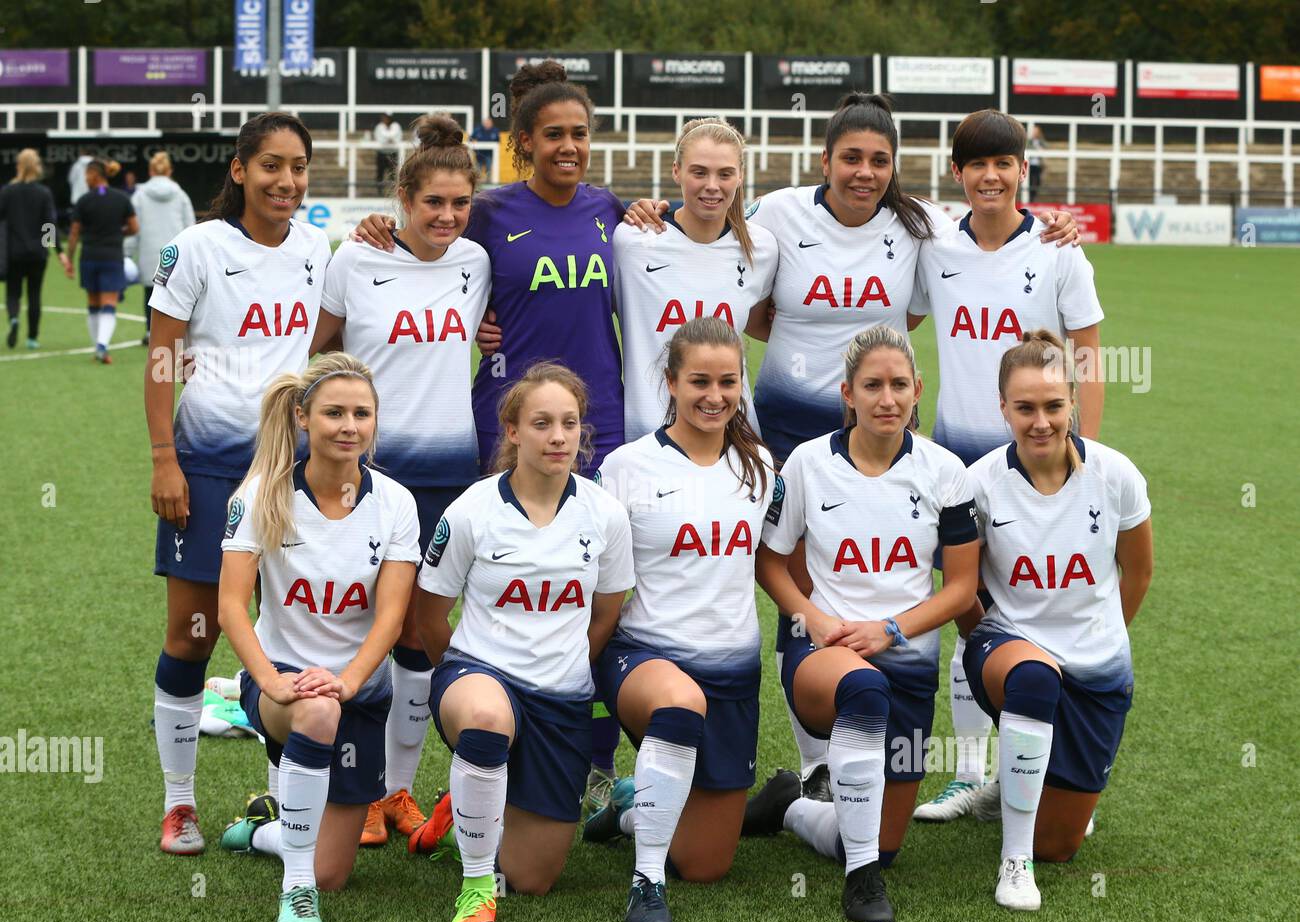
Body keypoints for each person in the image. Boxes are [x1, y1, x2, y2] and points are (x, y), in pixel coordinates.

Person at [718, 94, 1078, 801]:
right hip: (790, 435)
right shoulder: (782, 212)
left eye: (879, 160)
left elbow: (975, 253)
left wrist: (1053, 225)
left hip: (883, 432)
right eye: (850, 157)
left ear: (896, 168)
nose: (864, 171)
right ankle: (818, 762)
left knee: (876, 576)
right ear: (824, 160)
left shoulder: (922, 226)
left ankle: (900, 752)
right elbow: (733, 285)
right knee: (797, 591)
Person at [353, 60, 635, 817]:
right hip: (501, 425)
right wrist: (379, 227)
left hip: (598, 422)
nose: (568, 146)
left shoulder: (615, 209)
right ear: (522, 142)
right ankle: (474, 738)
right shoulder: (485, 212)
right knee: (487, 578)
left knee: (584, 587)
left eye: (579, 133)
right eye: (552, 135)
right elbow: (427, 242)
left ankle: (590, 757)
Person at [746, 325, 979, 922]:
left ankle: (791, 806)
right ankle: (860, 882)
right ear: (847, 393)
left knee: (883, 842)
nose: (886, 399)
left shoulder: (945, 471)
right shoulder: (805, 463)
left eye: (899, 385)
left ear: (917, 389)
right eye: (871, 385)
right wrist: (813, 618)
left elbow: (959, 587)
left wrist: (893, 630)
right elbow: (769, 561)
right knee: (863, 690)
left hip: (906, 661)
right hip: (825, 661)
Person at [145, 111, 332, 856]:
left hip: (291, 465)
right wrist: (165, 456)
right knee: (192, 633)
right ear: (239, 169)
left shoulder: (318, 247)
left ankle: (281, 799)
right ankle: (179, 802)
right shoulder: (194, 248)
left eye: (297, 168)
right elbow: (162, 357)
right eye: (271, 166)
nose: (285, 181)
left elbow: (328, 333)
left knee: (283, 633)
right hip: (209, 462)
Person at [909, 109, 1104, 822]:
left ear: (1025, 169)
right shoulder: (934, 247)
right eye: (976, 164)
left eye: (1005, 163)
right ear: (956, 173)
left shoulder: (1060, 253)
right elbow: (898, 318)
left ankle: (1048, 773)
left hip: (1040, 460)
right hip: (957, 464)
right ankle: (968, 775)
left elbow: (1086, 354)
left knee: (1037, 608)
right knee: (967, 610)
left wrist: (1083, 458)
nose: (991, 176)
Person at [311, 113, 491, 848]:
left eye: (459, 204)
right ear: (402, 201)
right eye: (432, 204)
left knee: (420, 633)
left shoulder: (477, 262)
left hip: (451, 473)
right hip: (369, 476)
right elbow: (319, 356)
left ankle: (396, 791)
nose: (446, 217)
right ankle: (333, 784)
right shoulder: (356, 261)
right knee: (358, 623)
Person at [412, 363, 634, 922]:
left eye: (569, 423)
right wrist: (460, 679)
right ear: (512, 430)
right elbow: (429, 616)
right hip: (480, 675)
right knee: (486, 720)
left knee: (533, 878)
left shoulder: (605, 514)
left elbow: (608, 609)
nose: (558, 436)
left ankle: (463, 807)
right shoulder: (471, 510)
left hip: (561, 697)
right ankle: (477, 885)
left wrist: (565, 663)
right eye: (541, 424)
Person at [217, 353, 421, 922]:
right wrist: (271, 680)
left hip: (358, 687)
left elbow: (392, 614)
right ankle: (296, 890)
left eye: (362, 413)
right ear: (303, 418)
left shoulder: (397, 503)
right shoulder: (263, 494)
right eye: (334, 413)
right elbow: (231, 605)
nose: (348, 426)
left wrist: (352, 679)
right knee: (315, 709)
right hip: (283, 684)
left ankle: (262, 830)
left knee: (336, 870)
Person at [584, 317, 773, 922]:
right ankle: (646, 882)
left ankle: (632, 805)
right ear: (670, 382)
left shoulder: (761, 466)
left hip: (733, 669)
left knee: (706, 863)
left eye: (727, 381)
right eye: (698, 381)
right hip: (645, 657)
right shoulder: (626, 467)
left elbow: (775, 562)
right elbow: (597, 578)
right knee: (678, 705)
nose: (714, 395)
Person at [957, 329, 1152, 910]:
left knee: (1060, 846)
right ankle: (1012, 865)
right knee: (1033, 677)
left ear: (1073, 403)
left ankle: (1019, 794)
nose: (1039, 421)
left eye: (1052, 406)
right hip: (1009, 650)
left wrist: (1099, 636)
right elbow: (963, 588)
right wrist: (987, 647)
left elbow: (1137, 574)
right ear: (1003, 409)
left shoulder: (1116, 475)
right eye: (1024, 408)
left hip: (1096, 667)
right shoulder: (980, 483)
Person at [613, 117, 777, 443]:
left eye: (725, 173)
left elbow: (765, 321)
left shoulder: (763, 248)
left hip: (733, 438)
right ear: (676, 171)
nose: (712, 185)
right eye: (699, 172)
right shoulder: (632, 240)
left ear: (740, 176)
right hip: (647, 438)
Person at [63, 159, 138, 364]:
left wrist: (68, 259)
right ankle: (101, 346)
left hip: (89, 257)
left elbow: (74, 233)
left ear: (95, 175)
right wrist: (118, 234)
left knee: (93, 304)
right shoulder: (121, 199)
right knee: (108, 304)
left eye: (87, 174)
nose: (85, 179)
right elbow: (134, 227)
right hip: (112, 257)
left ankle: (98, 345)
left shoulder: (84, 200)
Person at [0, 148, 69, 350]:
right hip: (37, 254)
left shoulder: (7, 192)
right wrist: (57, 251)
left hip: (13, 251)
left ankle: (13, 319)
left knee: (13, 292)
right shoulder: (43, 193)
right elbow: (49, 225)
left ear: (19, 166)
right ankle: (32, 337)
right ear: (37, 166)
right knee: (34, 294)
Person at [128, 151, 196, 346]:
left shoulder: (139, 195)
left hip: (149, 252)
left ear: (150, 171)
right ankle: (180, 334)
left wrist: (127, 253)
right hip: (176, 253)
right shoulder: (180, 194)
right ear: (169, 171)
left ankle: (151, 332)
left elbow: (134, 226)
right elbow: (190, 225)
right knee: (180, 295)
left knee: (150, 294)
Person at [373, 113, 403, 195]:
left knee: (392, 175)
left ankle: (392, 193)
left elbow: (397, 138)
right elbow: (380, 139)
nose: (384, 119)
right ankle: (379, 192)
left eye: (386, 117)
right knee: (380, 174)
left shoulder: (396, 126)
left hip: (392, 153)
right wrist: (389, 139)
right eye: (383, 117)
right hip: (382, 153)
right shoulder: (379, 127)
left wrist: (388, 139)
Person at [1028, 124, 1047, 194]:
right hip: (1030, 165)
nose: (1034, 132)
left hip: (1038, 165)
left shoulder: (1041, 141)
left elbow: (1045, 148)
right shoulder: (1029, 141)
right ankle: (1030, 196)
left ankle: (1033, 195)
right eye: (1034, 131)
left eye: (1036, 131)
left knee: (1037, 181)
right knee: (1030, 181)